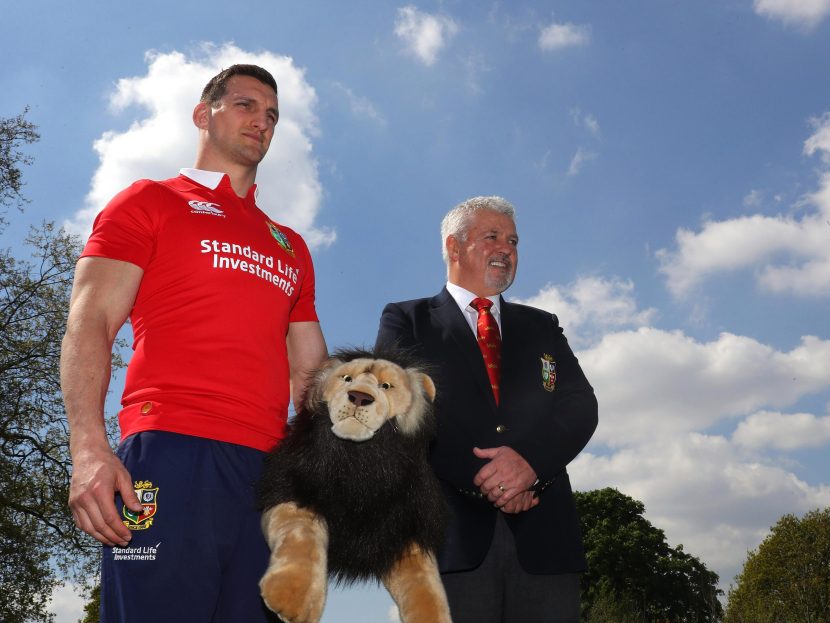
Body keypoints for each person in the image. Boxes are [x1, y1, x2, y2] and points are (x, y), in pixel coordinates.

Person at [60, 64, 327, 622]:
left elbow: (311, 377)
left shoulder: (292, 246)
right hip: (172, 451)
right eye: (246, 106)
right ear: (203, 115)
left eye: (272, 115)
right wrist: (88, 449)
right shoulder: (150, 201)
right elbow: (92, 323)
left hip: (269, 475)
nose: (263, 122)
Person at [375, 196, 598, 622]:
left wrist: (531, 465)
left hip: (544, 540)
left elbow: (579, 405)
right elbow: (401, 406)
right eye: (492, 236)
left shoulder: (542, 326)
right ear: (454, 247)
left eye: (513, 241)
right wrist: (490, 482)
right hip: (450, 539)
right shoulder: (407, 319)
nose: (507, 249)